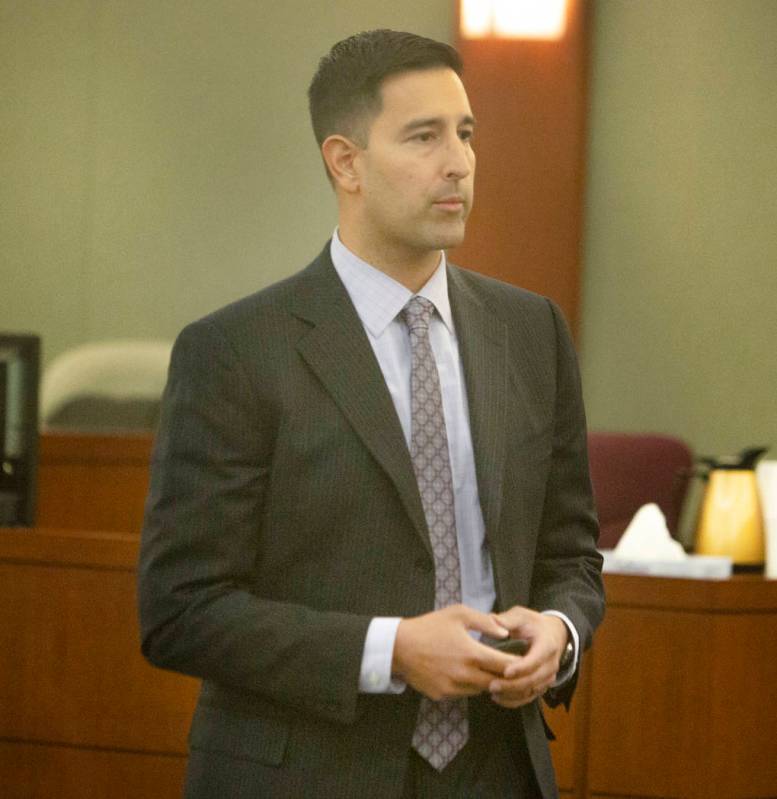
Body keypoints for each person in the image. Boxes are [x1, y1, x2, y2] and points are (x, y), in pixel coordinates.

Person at [138, 29, 604, 799]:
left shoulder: (532, 332)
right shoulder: (235, 350)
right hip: (310, 772)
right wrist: (389, 649)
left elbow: (572, 554)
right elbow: (180, 608)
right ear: (344, 161)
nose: (457, 162)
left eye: (464, 134)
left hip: (498, 768)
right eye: (422, 137)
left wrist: (558, 633)